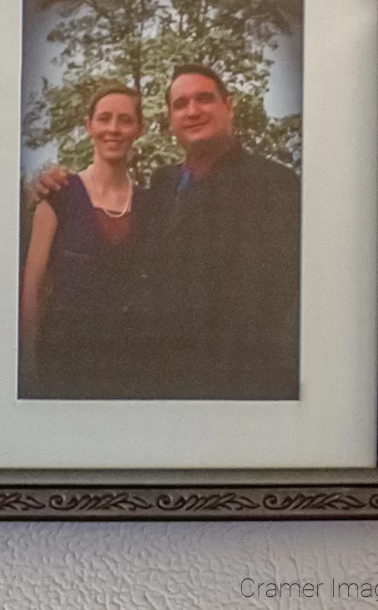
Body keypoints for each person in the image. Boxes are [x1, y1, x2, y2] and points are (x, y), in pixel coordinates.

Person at [32, 64, 301, 400]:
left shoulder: (272, 183)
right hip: (148, 378)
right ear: (171, 121)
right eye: (180, 104)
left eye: (204, 99)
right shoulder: (162, 184)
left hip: (230, 386)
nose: (193, 111)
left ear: (228, 106)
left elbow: (277, 301)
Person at [19, 85, 145, 399]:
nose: (113, 129)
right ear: (89, 126)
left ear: (138, 129)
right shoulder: (58, 194)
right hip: (64, 363)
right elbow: (32, 286)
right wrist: (27, 364)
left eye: (125, 120)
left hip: (129, 369)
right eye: (104, 118)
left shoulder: (148, 202)